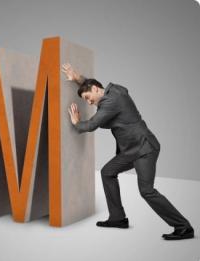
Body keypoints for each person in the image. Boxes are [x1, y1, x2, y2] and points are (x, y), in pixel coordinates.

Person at [61, 63, 194, 240]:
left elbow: (92, 124)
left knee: (146, 191)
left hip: (144, 148)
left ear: (96, 89)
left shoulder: (111, 102)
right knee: (108, 172)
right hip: (131, 150)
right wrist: (78, 79)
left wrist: (77, 123)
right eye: (86, 100)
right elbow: (91, 86)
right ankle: (118, 218)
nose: (88, 102)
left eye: (87, 97)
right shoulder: (113, 91)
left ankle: (184, 227)